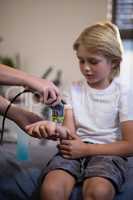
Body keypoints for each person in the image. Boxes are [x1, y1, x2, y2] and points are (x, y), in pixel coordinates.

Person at [26, 21, 133, 200]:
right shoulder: (73, 90)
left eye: (93, 61)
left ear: (114, 62)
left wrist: (87, 150)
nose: (86, 67)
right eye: (81, 60)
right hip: (74, 148)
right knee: (51, 189)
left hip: (108, 153)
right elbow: (68, 132)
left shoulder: (124, 93)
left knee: (99, 191)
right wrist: (55, 127)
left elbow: (130, 145)